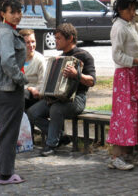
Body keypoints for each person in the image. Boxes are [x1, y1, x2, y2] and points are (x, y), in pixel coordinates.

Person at [27, 23, 96, 157]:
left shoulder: (84, 56)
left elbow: (92, 81)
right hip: (56, 99)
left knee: (56, 109)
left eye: (58, 38)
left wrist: (77, 74)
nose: (55, 41)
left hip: (77, 99)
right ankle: (61, 137)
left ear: (70, 38)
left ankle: (51, 144)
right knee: (32, 112)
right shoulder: (59, 58)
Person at [106, 0, 138, 171]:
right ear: (120, 9)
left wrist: (135, 14)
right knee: (123, 115)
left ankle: (127, 153)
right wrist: (137, 62)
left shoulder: (130, 23)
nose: (132, 13)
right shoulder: (118, 27)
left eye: (134, 10)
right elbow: (117, 55)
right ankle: (116, 156)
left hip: (134, 75)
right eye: (129, 9)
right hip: (125, 75)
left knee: (133, 115)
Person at [0, 0, 28, 185]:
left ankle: (1, 169)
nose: (17, 16)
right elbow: (7, 63)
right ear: (3, 14)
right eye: (13, 12)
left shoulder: (7, 31)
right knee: (9, 132)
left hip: (3, 88)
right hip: (8, 89)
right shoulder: (5, 33)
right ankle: (5, 174)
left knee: (6, 130)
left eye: (19, 12)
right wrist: (22, 80)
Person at [18, 29, 46, 110]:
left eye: (33, 41)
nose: (31, 45)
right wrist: (28, 88)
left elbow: (42, 85)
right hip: (19, 92)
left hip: (34, 96)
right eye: (27, 42)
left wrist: (30, 89)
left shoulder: (40, 60)